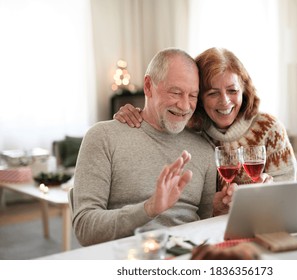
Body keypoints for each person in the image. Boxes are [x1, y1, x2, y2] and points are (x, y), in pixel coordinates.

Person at [72, 48, 218, 246]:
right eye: (175, 92)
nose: (185, 106)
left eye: (192, 95)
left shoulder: (204, 149)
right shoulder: (103, 137)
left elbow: (208, 225)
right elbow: (85, 228)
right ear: (148, 86)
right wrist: (149, 208)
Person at [115, 47, 297, 195]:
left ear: (244, 90)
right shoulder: (190, 131)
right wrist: (134, 114)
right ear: (199, 97)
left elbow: (289, 193)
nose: (225, 102)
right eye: (213, 93)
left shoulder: (269, 128)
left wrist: (270, 190)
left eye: (232, 91)